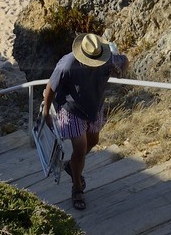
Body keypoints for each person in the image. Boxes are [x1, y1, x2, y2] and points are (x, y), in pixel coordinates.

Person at [41, 33, 128, 211]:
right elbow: (51, 87)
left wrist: (121, 69)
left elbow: (124, 60)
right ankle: (77, 189)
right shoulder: (68, 64)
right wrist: (46, 112)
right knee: (80, 148)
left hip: (94, 107)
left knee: (93, 141)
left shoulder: (106, 58)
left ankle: (71, 166)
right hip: (71, 108)